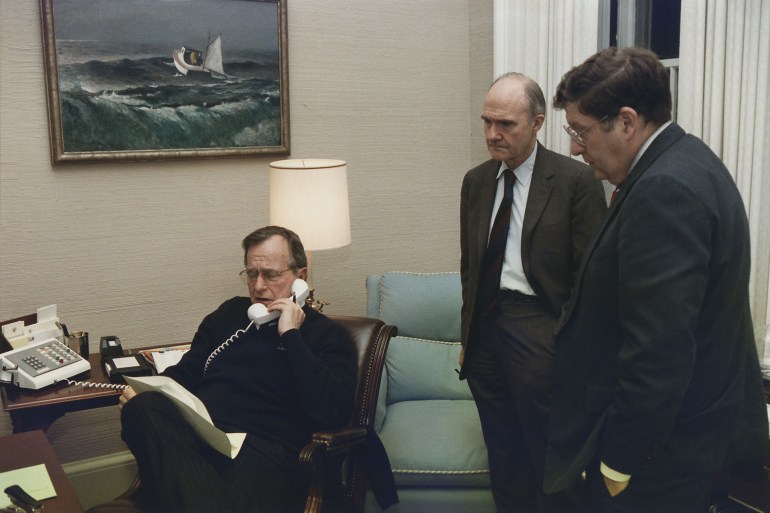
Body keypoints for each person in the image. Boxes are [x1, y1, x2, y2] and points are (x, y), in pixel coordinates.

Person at [543, 47, 769, 513]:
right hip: (683, 441)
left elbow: (659, 352)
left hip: (658, 460)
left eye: (580, 131)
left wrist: (618, 464)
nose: (574, 147)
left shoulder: (664, 191)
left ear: (626, 122)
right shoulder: (687, 158)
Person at [116, 226, 358, 513]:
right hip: (202, 441)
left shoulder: (327, 335)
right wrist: (144, 392)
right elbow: (185, 373)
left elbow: (331, 410)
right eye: (252, 274)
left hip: (264, 456)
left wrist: (291, 335)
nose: (258, 286)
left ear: (300, 278)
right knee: (143, 407)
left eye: (270, 274)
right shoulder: (229, 315)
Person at [459, 72, 607, 513]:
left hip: (540, 328)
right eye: (487, 122)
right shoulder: (476, 181)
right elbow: (471, 266)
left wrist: (570, 347)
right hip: (485, 331)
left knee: (549, 457)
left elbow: (591, 280)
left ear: (538, 123)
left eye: (506, 124)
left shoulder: (574, 181)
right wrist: (467, 338)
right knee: (504, 458)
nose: (492, 134)